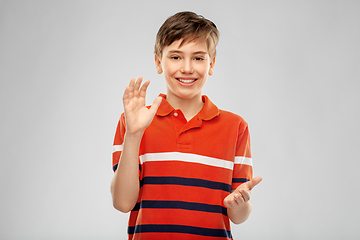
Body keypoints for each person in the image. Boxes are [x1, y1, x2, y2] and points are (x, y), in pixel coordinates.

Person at [111, 11, 262, 240]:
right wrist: (133, 134)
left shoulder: (236, 127)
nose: (187, 68)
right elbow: (123, 203)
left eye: (198, 58)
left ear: (211, 64)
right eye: (176, 57)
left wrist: (240, 203)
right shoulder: (134, 122)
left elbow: (239, 216)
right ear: (158, 62)